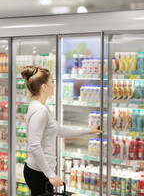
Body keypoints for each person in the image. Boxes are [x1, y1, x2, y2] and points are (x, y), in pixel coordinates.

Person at [21, 66, 103, 196]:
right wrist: (50, 175)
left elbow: (60, 131)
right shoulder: (40, 111)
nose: (54, 84)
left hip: (40, 171)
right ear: (44, 87)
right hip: (38, 173)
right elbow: (34, 146)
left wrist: (89, 131)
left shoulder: (41, 107)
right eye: (52, 82)